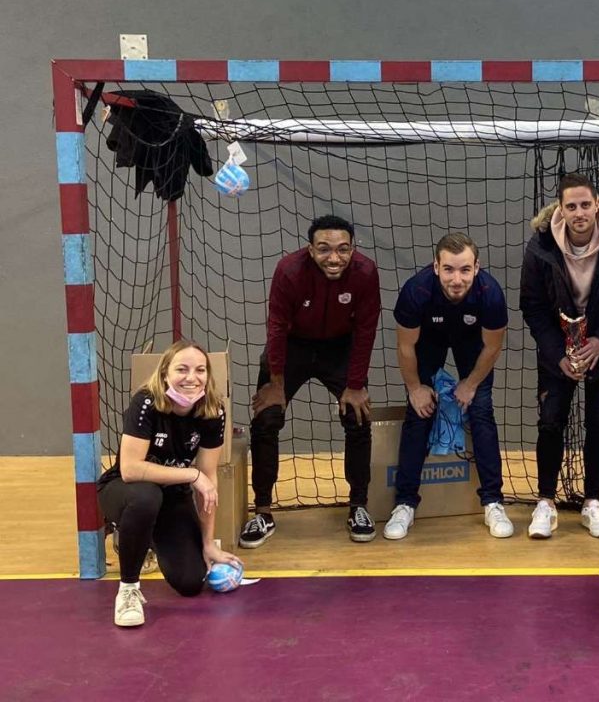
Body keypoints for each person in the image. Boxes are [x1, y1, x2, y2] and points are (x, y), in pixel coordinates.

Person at [241, 214, 382, 548]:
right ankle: (263, 512)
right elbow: (277, 326)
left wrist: (355, 384)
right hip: (293, 346)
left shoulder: (365, 272)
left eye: (342, 249)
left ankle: (358, 507)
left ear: (352, 249)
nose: (334, 258)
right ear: (310, 249)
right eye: (324, 249)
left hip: (339, 347)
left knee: (358, 416)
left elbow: (366, 329)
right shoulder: (289, 271)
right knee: (266, 419)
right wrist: (276, 383)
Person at [520, 173, 599, 539]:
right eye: (571, 206)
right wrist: (557, 353)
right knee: (550, 421)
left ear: (598, 204)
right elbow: (532, 305)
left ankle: (592, 502)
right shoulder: (541, 245)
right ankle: (545, 502)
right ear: (560, 209)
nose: (579, 213)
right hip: (558, 350)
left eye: (585, 205)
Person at [98, 341, 241, 627]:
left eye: (200, 370)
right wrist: (192, 475)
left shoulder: (213, 410)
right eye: (182, 369)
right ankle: (128, 590)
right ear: (165, 373)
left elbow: (209, 478)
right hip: (125, 489)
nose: (192, 377)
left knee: (190, 581)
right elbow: (131, 469)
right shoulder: (146, 402)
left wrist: (208, 542)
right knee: (145, 498)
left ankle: (142, 534)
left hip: (172, 496)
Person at [383, 233, 513, 540]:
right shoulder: (416, 291)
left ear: (476, 267)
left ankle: (493, 502)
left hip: (472, 342)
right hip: (429, 340)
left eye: (465, 270)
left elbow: (493, 347)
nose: (457, 279)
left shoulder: (490, 294)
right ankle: (404, 504)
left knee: (481, 409)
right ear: (436, 267)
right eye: (449, 269)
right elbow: (405, 347)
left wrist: (471, 383)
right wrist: (415, 388)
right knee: (420, 412)